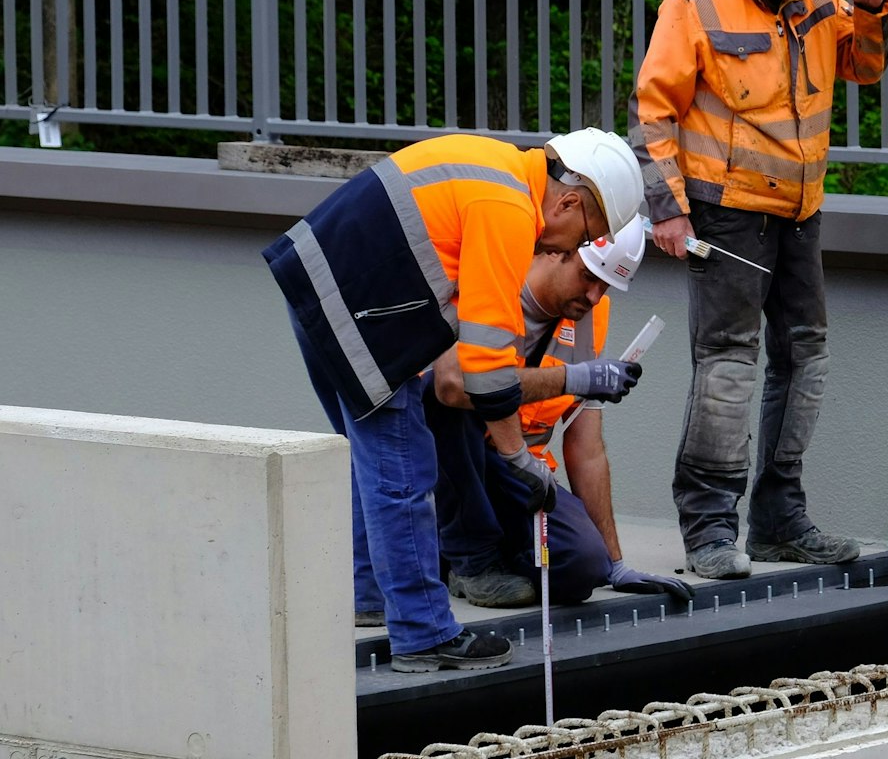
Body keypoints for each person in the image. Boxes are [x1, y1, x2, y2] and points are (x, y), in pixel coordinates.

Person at [264, 128, 642, 673]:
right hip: (360, 307)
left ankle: (370, 596)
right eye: (586, 235)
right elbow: (483, 369)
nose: (567, 248)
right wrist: (520, 461)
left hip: (321, 286)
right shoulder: (508, 206)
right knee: (402, 470)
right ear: (568, 200)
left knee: (375, 465)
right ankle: (423, 636)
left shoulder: (496, 168)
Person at [633, 0, 888, 580]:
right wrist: (669, 210)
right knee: (727, 368)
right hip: (727, 211)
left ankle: (780, 519)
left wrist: (869, 8)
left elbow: (861, 67)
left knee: (806, 358)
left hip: (800, 210)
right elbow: (652, 110)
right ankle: (710, 529)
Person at [427, 217, 694, 609]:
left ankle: (482, 555)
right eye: (588, 277)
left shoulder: (591, 314)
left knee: (583, 566)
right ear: (557, 251)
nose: (592, 296)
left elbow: (587, 449)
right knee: (453, 400)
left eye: (605, 287)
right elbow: (451, 387)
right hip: (456, 461)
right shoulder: (498, 282)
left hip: (521, 474)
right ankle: (470, 560)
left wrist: (615, 563)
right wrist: (571, 379)